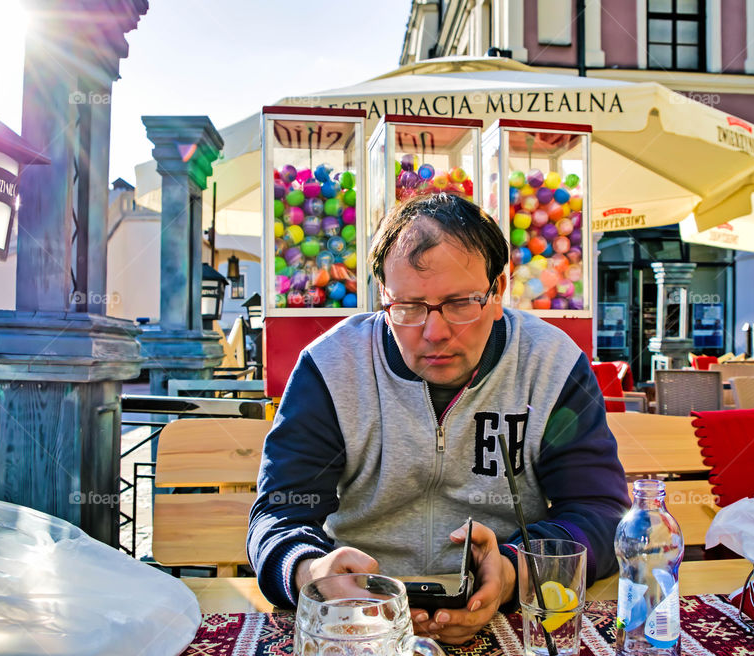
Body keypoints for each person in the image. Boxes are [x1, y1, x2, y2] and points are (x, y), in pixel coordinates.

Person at [247, 193, 630, 644]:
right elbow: (280, 512)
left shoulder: (552, 364)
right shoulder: (331, 367)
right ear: (382, 296)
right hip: (357, 622)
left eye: (460, 303)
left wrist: (511, 571)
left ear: (498, 289)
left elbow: (600, 512)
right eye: (407, 307)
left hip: (510, 617)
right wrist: (313, 571)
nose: (435, 333)